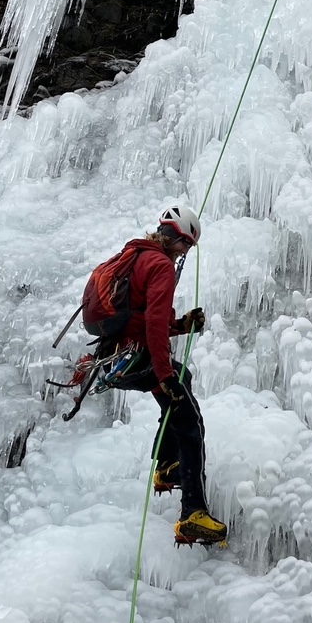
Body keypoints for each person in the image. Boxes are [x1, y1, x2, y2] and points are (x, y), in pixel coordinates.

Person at [84, 203, 227, 547]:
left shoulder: (134, 255)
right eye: (186, 246)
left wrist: (181, 326)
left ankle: (167, 466)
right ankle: (193, 513)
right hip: (140, 358)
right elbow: (151, 325)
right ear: (176, 237)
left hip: (116, 360)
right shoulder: (160, 265)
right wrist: (163, 375)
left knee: (183, 383)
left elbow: (146, 317)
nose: (185, 253)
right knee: (190, 421)